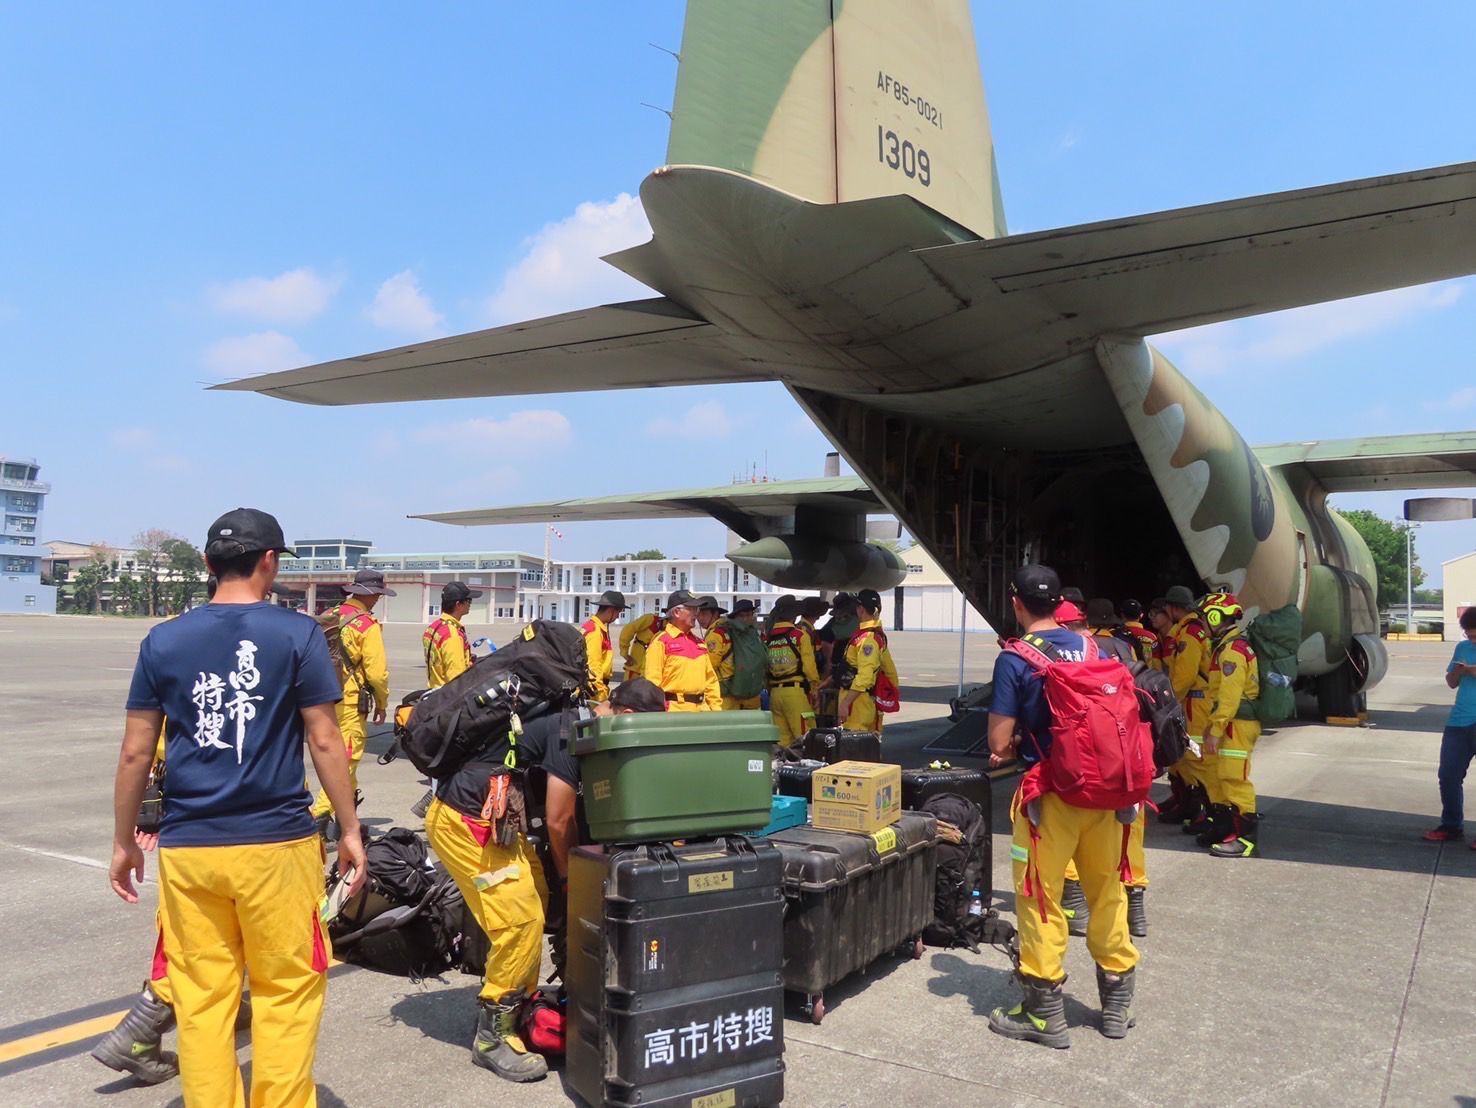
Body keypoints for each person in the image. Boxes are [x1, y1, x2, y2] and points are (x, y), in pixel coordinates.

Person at [109, 508, 366, 1106]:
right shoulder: (297, 633)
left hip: (190, 849)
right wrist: (349, 828)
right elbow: (325, 738)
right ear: (271, 562)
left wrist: (124, 842)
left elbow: (134, 752)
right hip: (276, 846)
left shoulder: (163, 639)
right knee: (286, 992)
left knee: (202, 999)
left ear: (206, 564)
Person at [986, 564, 1138, 1049]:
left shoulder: (1016, 657)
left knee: (1040, 898)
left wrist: (1005, 749)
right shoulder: (1096, 647)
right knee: (1107, 895)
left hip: (1050, 798)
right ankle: (1115, 1007)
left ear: (1017, 602)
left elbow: (999, 740)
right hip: (1107, 795)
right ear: (1061, 605)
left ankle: (1044, 1015)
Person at [423, 665, 598, 1083]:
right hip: (468, 822)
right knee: (520, 921)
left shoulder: (575, 717)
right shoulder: (571, 730)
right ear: (624, 712)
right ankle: (492, 1037)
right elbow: (558, 819)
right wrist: (572, 878)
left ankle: (521, 1005)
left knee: (534, 898)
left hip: (496, 820)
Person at [94, 576, 235, 1086]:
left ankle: (151, 1029)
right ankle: (140, 1031)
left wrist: (143, 813)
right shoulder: (272, 636)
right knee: (203, 938)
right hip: (238, 818)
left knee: (193, 931)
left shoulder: (174, 636)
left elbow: (151, 741)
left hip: (188, 811)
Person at [311, 567, 393, 836]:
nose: (378, 599)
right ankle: (319, 815)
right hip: (349, 702)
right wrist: (382, 702)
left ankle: (347, 820)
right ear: (368, 595)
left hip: (321, 697)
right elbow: (377, 672)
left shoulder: (330, 616)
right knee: (346, 759)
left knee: (347, 760)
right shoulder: (366, 625)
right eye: (378, 595)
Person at [410, 580, 484, 819]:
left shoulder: (434, 628)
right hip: (450, 702)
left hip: (434, 696)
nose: (471, 605)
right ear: (459, 604)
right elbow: (456, 677)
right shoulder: (452, 633)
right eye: (469, 601)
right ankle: (437, 802)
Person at [1198, 592, 1262, 857]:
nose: (1201, 623)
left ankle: (1246, 840)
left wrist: (1216, 729)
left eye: (1204, 617)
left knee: (1234, 779)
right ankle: (1224, 829)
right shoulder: (1225, 647)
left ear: (1215, 617)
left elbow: (1229, 697)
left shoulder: (1232, 652)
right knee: (1217, 776)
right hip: (1227, 723)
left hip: (1236, 724)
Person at [1160, 584, 1214, 830]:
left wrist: (1169, 701)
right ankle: (1190, 807)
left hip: (1193, 701)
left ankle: (1206, 812)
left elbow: (1185, 674)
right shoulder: (1186, 630)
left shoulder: (1190, 633)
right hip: (1190, 699)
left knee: (1193, 756)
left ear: (1172, 608)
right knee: (1181, 756)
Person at [1424, 607, 1476, 843]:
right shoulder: (1462, 648)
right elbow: (1451, 683)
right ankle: (1452, 825)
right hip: (1459, 720)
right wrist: (1456, 673)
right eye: (1469, 635)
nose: (1472, 639)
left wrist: (1471, 671)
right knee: (1448, 776)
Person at [644, 590, 722, 710]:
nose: (696, 614)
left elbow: (711, 681)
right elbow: (653, 684)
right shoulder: (661, 642)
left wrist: (716, 710)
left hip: (702, 712)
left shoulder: (700, 643)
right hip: (674, 713)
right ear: (676, 612)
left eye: (697, 609)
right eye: (692, 609)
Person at [838, 588, 898, 732]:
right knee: (867, 748)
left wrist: (846, 703)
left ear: (861, 609)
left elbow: (865, 677)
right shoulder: (876, 636)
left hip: (858, 702)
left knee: (853, 746)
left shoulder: (867, 640)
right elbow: (890, 672)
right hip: (865, 700)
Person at [766, 596, 819, 746]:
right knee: (806, 738)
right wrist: (815, 689)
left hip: (775, 695)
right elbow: (809, 668)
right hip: (795, 693)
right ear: (794, 615)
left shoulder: (768, 638)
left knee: (782, 742)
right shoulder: (799, 636)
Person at [580, 589, 628, 703]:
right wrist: (601, 698)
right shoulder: (595, 632)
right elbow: (593, 668)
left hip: (592, 690)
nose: (617, 617)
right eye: (618, 612)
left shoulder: (594, 627)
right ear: (611, 610)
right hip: (593, 693)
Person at [720, 599, 766, 709]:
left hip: (749, 692)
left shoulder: (755, 634)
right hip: (736, 692)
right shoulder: (726, 632)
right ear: (735, 616)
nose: (746, 618)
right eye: (742, 615)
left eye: (749, 615)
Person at [619, 608, 665, 682]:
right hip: (635, 669)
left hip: (651, 675)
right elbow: (628, 629)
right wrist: (625, 653)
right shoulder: (651, 619)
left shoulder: (671, 633)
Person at [1120, 599, 1160, 669]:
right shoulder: (1152, 637)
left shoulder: (1115, 634)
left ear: (1122, 615)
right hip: (1147, 677)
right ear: (1141, 616)